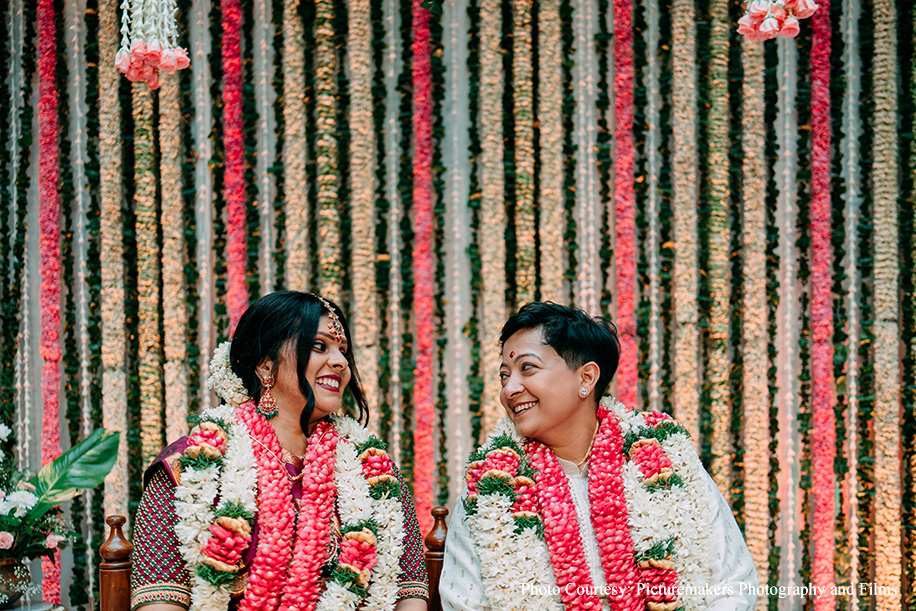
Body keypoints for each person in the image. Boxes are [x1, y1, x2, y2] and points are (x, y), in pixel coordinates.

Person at [440, 302, 758, 611]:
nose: (510, 389)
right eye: (504, 375)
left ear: (587, 378)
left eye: (527, 368)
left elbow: (732, 583)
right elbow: (465, 602)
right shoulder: (490, 488)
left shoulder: (665, 460)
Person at [130, 291, 428, 611]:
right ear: (265, 365)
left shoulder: (373, 469)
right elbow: (159, 601)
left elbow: (409, 591)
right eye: (319, 346)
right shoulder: (191, 466)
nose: (341, 362)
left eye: (343, 350)